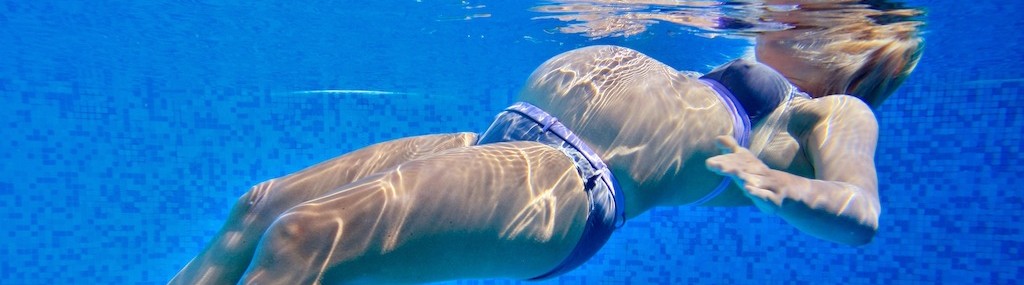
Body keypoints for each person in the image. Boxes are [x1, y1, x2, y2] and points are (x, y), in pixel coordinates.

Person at [170, 7, 923, 285]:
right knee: (261, 206)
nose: (783, 9)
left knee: (301, 242)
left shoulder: (837, 111)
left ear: (866, 39)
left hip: (568, 183)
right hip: (502, 138)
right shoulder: (725, 54)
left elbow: (858, 212)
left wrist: (782, 185)